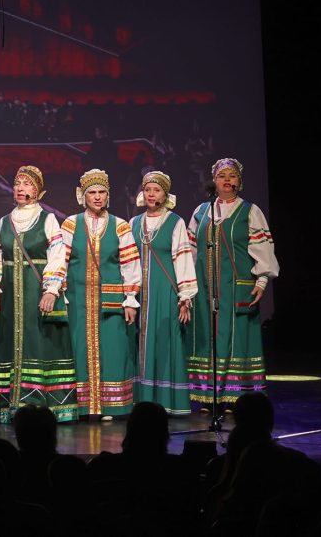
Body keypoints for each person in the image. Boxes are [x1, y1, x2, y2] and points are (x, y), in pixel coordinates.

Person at [187, 158, 279, 406]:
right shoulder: (201, 212)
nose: (227, 180)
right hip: (205, 288)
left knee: (236, 339)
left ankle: (238, 396)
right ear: (214, 181)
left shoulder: (250, 211)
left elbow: (262, 248)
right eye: (222, 176)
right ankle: (209, 396)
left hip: (237, 287)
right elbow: (190, 251)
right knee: (208, 338)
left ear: (240, 181)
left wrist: (261, 281)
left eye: (232, 175)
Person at [0, 166, 77, 423]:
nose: (20, 188)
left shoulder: (47, 220)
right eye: (17, 183)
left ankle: (41, 403)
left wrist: (51, 290)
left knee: (39, 342)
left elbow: (57, 256)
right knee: (8, 342)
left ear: (39, 191)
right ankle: (10, 404)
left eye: (27, 184)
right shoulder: (4, 222)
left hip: (36, 291)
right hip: (9, 294)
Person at [62, 169, 142, 419]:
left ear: (108, 195)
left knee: (113, 349)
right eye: (92, 193)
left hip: (111, 301)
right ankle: (81, 406)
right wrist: (59, 292)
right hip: (77, 299)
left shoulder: (120, 226)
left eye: (102, 192)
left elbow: (130, 265)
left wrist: (130, 299)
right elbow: (60, 261)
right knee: (78, 348)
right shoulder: (70, 224)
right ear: (83, 196)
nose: (97, 197)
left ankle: (111, 405)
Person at [129, 171, 197, 415]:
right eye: (147, 189)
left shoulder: (175, 222)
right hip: (139, 294)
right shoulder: (134, 223)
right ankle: (141, 400)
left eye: (156, 190)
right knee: (138, 344)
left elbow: (183, 258)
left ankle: (167, 400)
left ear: (165, 195)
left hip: (165, 293)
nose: (151, 194)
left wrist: (185, 297)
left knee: (164, 342)